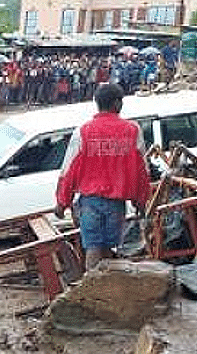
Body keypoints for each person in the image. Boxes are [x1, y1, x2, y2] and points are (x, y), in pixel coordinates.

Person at [55, 83, 150, 270]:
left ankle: (93, 287)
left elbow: (68, 171)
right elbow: (142, 171)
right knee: (109, 247)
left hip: (90, 202)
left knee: (92, 247)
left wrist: (62, 202)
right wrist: (141, 201)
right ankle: (106, 289)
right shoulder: (133, 130)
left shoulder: (83, 131)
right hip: (116, 203)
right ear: (117, 104)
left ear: (97, 103)